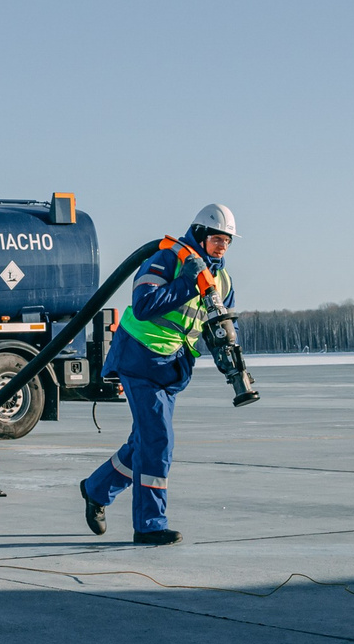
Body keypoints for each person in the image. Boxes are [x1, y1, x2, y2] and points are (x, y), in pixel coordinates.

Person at [78, 203, 236, 545]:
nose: (222, 246)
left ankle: (96, 489)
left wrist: (232, 358)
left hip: (172, 368)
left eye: (228, 241)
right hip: (140, 358)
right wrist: (188, 284)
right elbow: (145, 304)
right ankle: (150, 524)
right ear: (200, 234)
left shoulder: (222, 280)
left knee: (143, 443)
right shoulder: (167, 260)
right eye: (217, 239)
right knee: (158, 441)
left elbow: (219, 324)